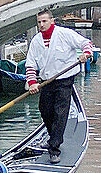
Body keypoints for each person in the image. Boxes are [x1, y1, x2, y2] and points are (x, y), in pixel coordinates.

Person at [25, 9, 93, 164]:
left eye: (44, 21)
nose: (41, 25)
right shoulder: (36, 41)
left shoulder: (65, 34)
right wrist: (32, 83)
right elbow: (30, 64)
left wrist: (86, 53)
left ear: (51, 21)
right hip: (47, 81)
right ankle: (53, 138)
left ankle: (54, 148)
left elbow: (85, 43)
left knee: (60, 113)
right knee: (45, 110)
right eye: (39, 22)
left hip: (65, 79)